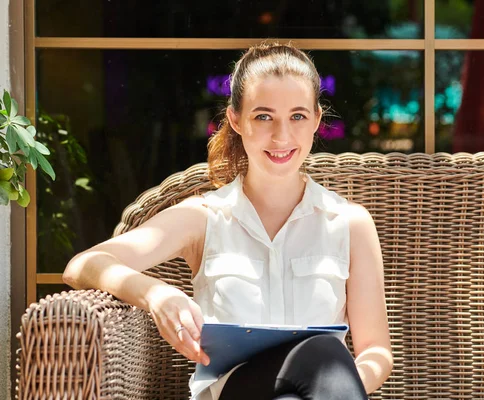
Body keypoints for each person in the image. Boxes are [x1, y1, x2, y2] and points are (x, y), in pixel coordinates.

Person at [62, 42, 393, 400]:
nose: (282, 136)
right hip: (233, 392)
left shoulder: (350, 223)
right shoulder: (203, 218)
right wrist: (156, 294)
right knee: (324, 351)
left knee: (322, 358)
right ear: (235, 120)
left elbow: (376, 351)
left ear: (316, 119)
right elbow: (84, 265)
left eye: (297, 116)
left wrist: (328, 386)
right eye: (263, 116)